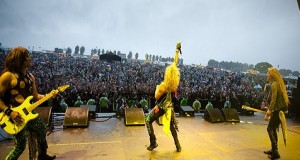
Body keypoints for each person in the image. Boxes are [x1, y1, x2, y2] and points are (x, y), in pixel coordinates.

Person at [0, 47, 56, 160]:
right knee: (20, 145)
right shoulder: (8, 76)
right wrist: (9, 112)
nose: (30, 58)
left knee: (42, 129)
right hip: (14, 116)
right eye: (27, 56)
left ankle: (42, 155)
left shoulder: (30, 77)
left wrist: (48, 95)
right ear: (20, 59)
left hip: (29, 112)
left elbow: (35, 97)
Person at [145, 42, 182, 152]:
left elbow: (156, 96)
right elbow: (175, 64)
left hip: (161, 108)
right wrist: (176, 50)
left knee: (147, 120)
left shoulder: (163, 86)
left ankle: (153, 142)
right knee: (171, 127)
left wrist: (157, 88)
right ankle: (178, 145)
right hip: (169, 108)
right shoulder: (173, 84)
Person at [263, 67, 289, 160]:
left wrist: (268, 113)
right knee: (273, 129)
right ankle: (274, 149)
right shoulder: (278, 84)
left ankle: (275, 152)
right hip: (280, 110)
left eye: (268, 73)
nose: (267, 74)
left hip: (278, 111)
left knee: (270, 129)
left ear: (272, 75)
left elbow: (273, 101)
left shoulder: (274, 84)